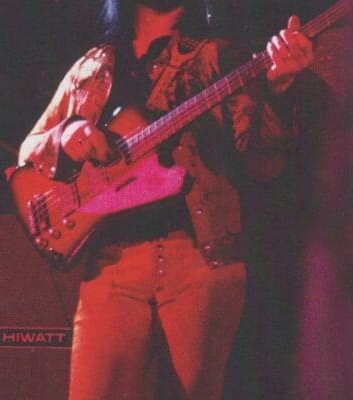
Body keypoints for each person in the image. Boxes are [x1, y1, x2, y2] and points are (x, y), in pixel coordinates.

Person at [18, 1, 313, 398]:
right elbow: (29, 149)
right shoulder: (94, 64)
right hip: (113, 265)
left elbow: (262, 162)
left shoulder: (219, 56)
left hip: (198, 259)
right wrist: (66, 134)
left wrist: (279, 92)